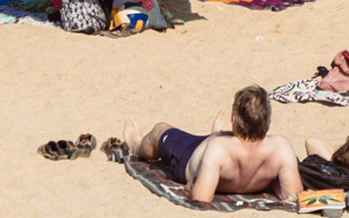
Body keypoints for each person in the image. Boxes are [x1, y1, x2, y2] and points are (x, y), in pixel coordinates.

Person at [124, 86, 302, 203]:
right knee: (216, 141)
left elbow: (201, 198)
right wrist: (270, 184)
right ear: (269, 121)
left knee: (160, 129)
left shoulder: (218, 149)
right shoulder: (281, 148)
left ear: (234, 122)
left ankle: (136, 145)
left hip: (189, 155)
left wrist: (192, 187)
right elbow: (293, 196)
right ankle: (217, 133)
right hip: (215, 149)